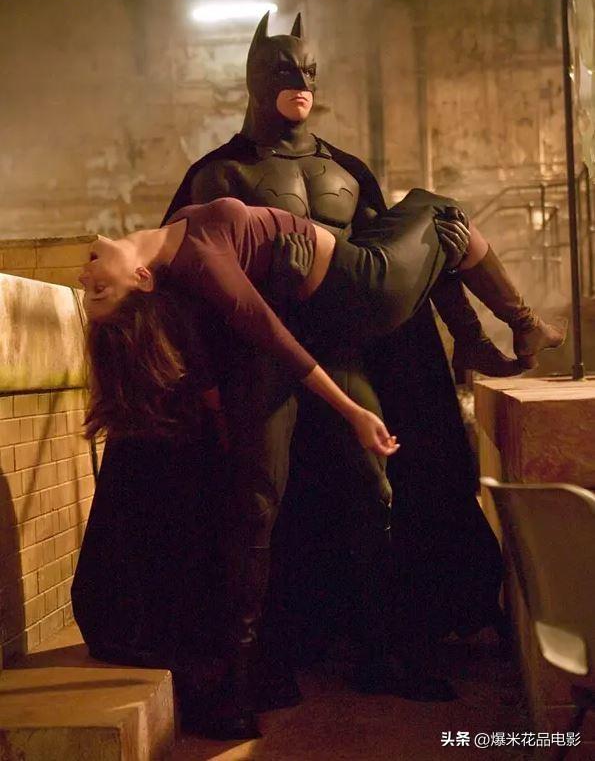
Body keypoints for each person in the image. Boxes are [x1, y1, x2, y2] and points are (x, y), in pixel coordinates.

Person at [79, 191, 563, 738]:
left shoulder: (173, 244)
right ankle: (518, 325)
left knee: (443, 232)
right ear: (141, 278)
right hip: (363, 286)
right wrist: (352, 412)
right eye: (100, 290)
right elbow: (276, 340)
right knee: (438, 208)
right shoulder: (201, 262)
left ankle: (480, 337)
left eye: (90, 286)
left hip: (351, 271)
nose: (86, 275)